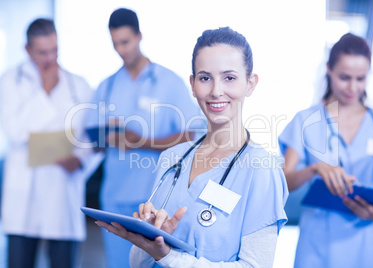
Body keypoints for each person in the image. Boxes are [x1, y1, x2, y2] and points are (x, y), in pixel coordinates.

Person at [95, 26, 288, 267]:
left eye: (229, 77)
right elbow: (138, 263)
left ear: (250, 84)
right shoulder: (171, 159)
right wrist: (149, 240)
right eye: (205, 78)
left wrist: (168, 255)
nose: (216, 91)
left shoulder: (262, 170)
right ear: (193, 84)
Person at [85, 8, 204, 268]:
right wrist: (107, 135)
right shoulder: (107, 87)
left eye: (126, 42)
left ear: (139, 36)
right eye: (115, 43)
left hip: (157, 200)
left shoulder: (169, 83)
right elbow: (93, 144)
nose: (121, 50)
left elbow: (189, 137)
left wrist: (139, 140)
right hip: (116, 197)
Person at [278, 33, 373, 268]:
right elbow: (284, 181)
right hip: (318, 243)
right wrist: (315, 168)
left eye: (360, 78)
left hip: (366, 242)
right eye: (345, 77)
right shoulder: (306, 120)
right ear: (329, 69)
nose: (353, 87)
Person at [0, 18, 93, 268]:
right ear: (28, 50)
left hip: (62, 193)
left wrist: (80, 160)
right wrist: (46, 92)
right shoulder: (10, 81)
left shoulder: (79, 86)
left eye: (54, 50)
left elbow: (90, 139)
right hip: (23, 199)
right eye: (42, 52)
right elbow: (15, 131)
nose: (50, 58)